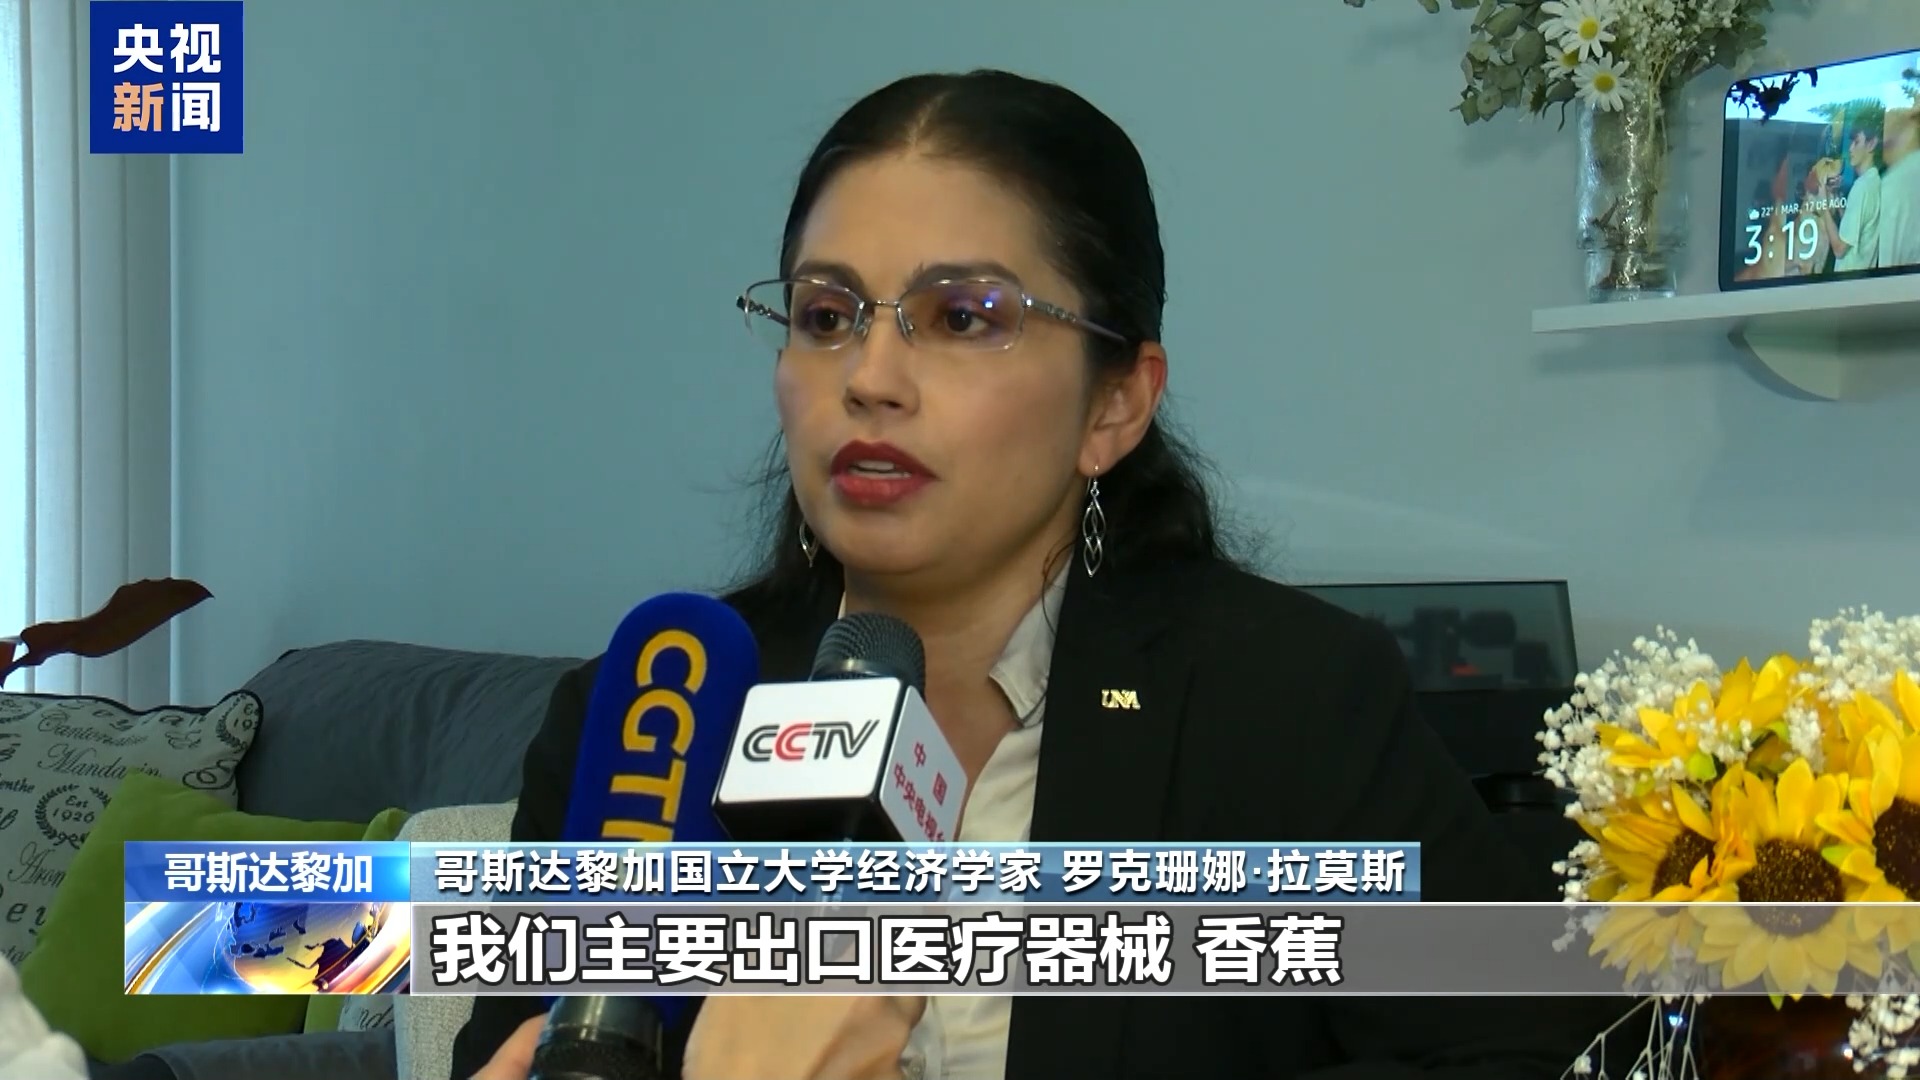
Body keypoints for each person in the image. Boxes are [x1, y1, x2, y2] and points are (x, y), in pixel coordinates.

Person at [450, 69, 1617, 1080]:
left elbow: (1520, 1052)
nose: (870, 376)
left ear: (1114, 405)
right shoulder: (652, 715)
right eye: (826, 314)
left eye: (963, 317)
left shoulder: (1289, 700)